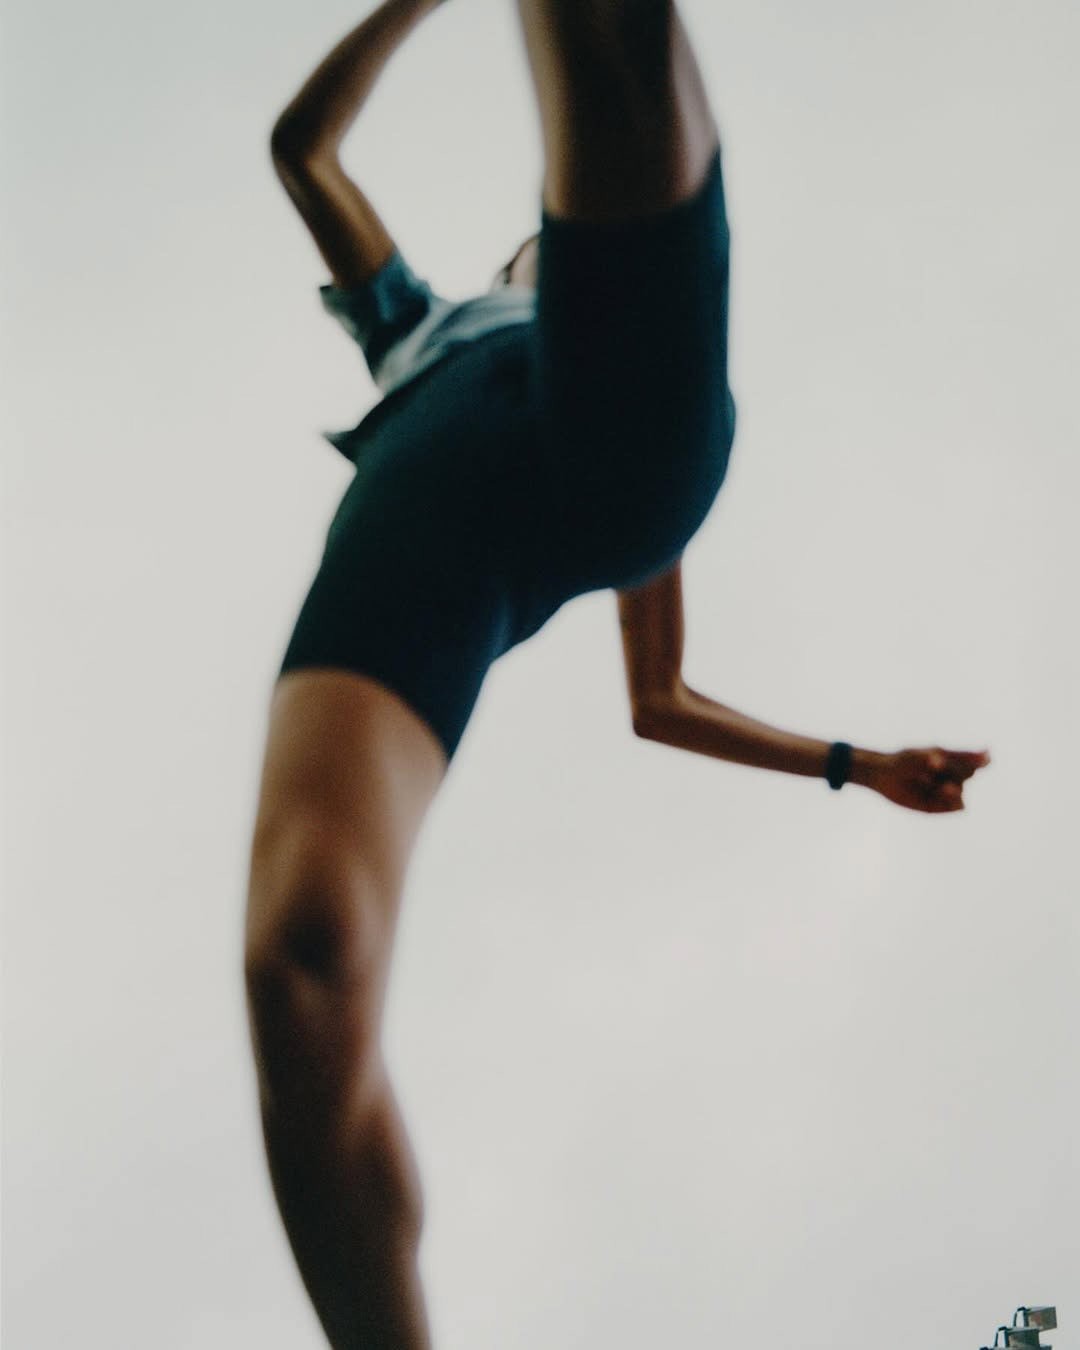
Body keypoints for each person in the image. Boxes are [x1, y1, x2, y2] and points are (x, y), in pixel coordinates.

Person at [243, 2, 991, 1346]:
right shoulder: (412, 322)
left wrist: (847, 762)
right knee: (303, 958)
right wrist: (858, 760)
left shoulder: (602, 341)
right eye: (534, 246)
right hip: (445, 513)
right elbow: (303, 152)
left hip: (627, 434)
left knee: (608, 44)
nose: (542, 247)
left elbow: (664, 687)